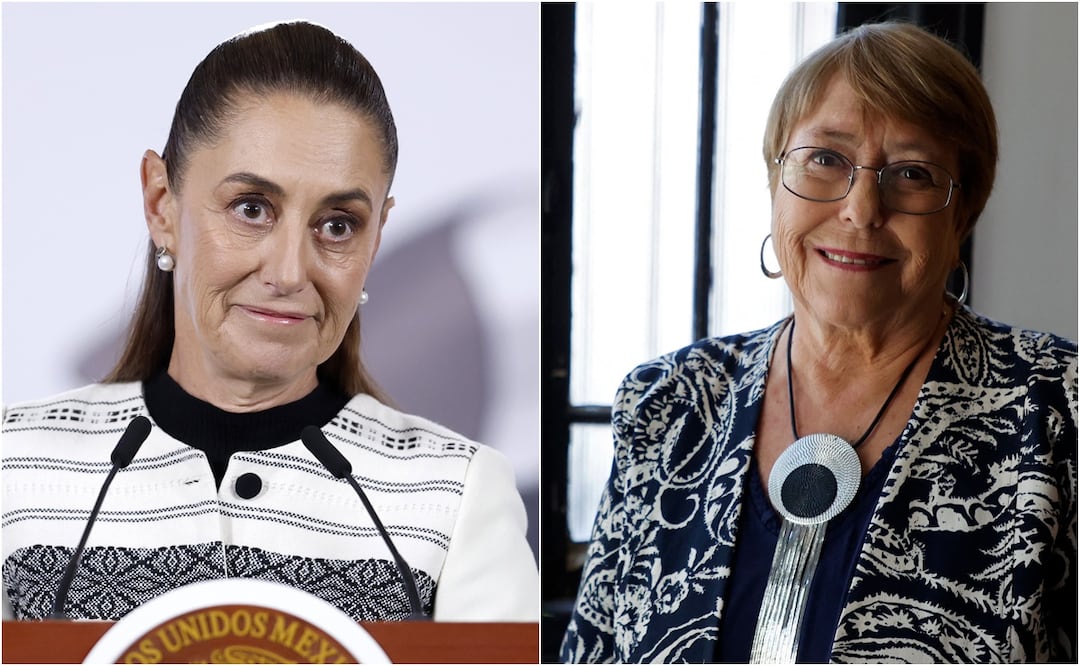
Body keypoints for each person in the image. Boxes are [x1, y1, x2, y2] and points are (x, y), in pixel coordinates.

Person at [561, 22, 1075, 663]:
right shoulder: (669, 402)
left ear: (962, 212)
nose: (862, 209)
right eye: (826, 159)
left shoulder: (1054, 407)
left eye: (911, 173)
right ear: (774, 181)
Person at [2, 20, 538, 623]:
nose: (289, 272)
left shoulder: (457, 497)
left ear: (377, 237)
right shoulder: (15, 469)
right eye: (251, 209)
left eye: (338, 225)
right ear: (161, 204)